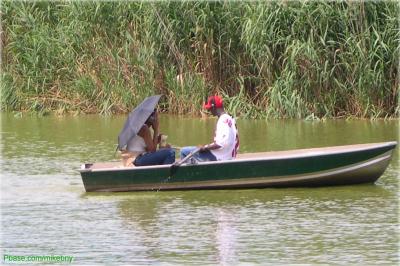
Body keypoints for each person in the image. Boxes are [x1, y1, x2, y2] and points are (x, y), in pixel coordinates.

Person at [180, 95, 239, 162]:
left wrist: (204, 148)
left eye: (210, 108)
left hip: (220, 157)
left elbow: (220, 144)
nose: (209, 111)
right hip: (227, 155)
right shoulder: (230, 118)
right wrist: (205, 147)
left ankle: (192, 172)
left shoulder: (223, 121)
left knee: (184, 151)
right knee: (192, 153)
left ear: (214, 108)